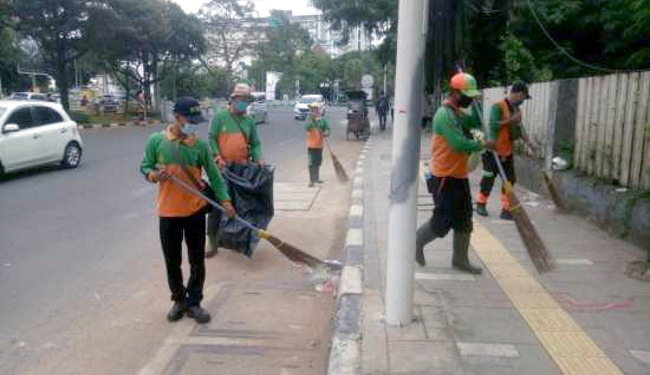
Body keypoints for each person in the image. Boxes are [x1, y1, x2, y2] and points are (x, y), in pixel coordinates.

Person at [140, 96, 236, 324]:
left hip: (194, 211)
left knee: (196, 260)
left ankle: (194, 302)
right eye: (189, 119)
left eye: (195, 120)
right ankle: (179, 300)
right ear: (177, 117)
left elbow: (214, 176)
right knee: (172, 260)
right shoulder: (157, 141)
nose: (193, 124)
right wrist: (154, 175)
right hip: (168, 213)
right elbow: (145, 166)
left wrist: (226, 202)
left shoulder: (200, 146)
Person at [415, 72, 494, 274]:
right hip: (445, 177)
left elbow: (473, 124)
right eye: (468, 95)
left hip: (458, 176)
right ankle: (415, 242)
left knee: (465, 219)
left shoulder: (457, 112)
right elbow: (458, 143)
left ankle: (460, 259)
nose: (470, 98)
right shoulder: (444, 115)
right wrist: (482, 144)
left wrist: (477, 110)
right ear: (456, 93)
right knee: (443, 221)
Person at [205, 83, 264, 258]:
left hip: (242, 170)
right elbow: (212, 138)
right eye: (242, 100)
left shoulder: (249, 121)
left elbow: (256, 143)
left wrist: (258, 157)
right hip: (222, 170)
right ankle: (213, 242)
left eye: (247, 100)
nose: (244, 103)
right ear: (233, 99)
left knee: (243, 207)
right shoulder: (220, 118)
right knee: (218, 206)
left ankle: (241, 241)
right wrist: (217, 156)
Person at [475, 81, 536, 220]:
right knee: (488, 179)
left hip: (507, 152)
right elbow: (493, 125)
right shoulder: (498, 107)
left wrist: (529, 143)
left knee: (509, 180)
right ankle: (481, 204)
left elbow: (519, 129)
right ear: (519, 94)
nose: (523, 101)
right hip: (494, 151)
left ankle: (506, 209)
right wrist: (510, 121)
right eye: (523, 98)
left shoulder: (516, 110)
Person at [304, 102, 330, 187]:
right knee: (311, 162)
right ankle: (311, 180)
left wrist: (325, 133)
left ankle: (316, 178)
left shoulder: (322, 120)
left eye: (315, 109)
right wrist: (313, 121)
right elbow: (307, 127)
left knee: (318, 162)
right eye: (312, 109)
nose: (313, 110)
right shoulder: (309, 119)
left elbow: (328, 128)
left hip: (319, 145)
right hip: (311, 145)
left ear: (318, 110)